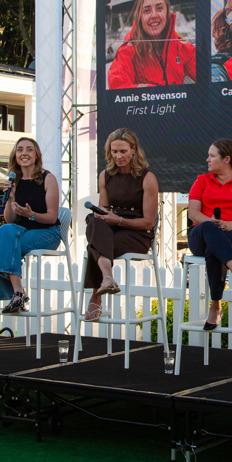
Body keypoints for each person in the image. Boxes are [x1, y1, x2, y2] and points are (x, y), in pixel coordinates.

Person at [83, 128, 159, 322]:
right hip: (111, 228)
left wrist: (119, 220)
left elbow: (148, 222)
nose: (118, 156)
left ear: (133, 149)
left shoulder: (147, 177)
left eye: (123, 151)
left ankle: (96, 295)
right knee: (94, 222)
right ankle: (107, 277)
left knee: (95, 243)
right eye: (114, 151)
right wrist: (102, 215)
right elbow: (104, 209)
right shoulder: (105, 175)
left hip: (138, 233)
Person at [187, 139, 232, 329]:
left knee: (215, 249)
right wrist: (211, 222)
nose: (207, 159)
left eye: (212, 156)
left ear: (227, 159)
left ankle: (215, 306)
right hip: (201, 235)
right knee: (209, 229)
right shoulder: (202, 180)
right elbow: (193, 213)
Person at [0, 137, 62, 314]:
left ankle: (17, 294)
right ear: (15, 156)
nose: (24, 153)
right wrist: (11, 197)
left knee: (1, 244)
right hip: (19, 233)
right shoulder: (14, 181)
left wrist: (31, 215)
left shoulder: (48, 178)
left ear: (36, 155)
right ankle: (17, 293)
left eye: (29, 149)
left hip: (47, 233)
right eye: (20, 149)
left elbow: (52, 218)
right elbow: (10, 220)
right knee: (6, 232)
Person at [107, 0, 196, 89]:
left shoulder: (180, 46)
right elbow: (117, 86)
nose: (154, 15)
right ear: (140, 17)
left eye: (159, 8)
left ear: (167, 13)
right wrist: (152, 92)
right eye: (147, 11)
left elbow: (206, 72)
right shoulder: (127, 51)